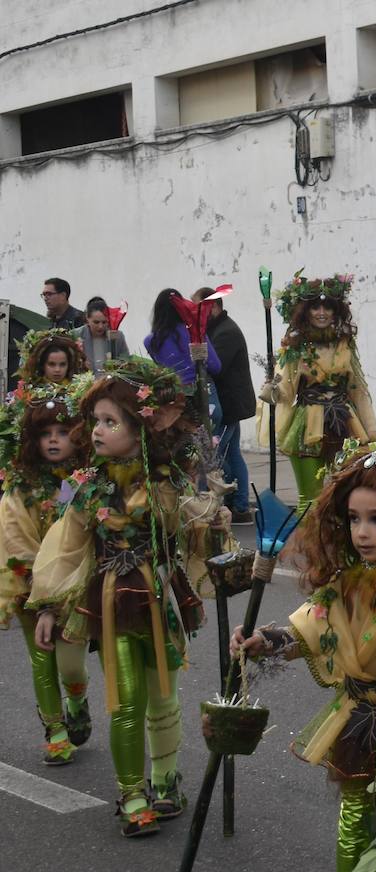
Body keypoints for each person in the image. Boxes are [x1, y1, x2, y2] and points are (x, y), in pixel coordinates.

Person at [231, 440, 376, 871]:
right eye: (355, 519)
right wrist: (267, 641)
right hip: (360, 716)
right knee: (354, 817)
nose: (362, 532)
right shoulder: (350, 577)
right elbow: (313, 627)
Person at [28, 358, 229, 836]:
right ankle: (132, 793)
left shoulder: (167, 484)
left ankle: (165, 781)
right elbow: (66, 550)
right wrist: (50, 609)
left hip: (160, 599)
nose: (97, 430)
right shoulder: (87, 489)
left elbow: (194, 535)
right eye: (95, 421)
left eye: (109, 421)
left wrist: (214, 519)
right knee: (125, 699)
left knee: (164, 695)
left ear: (140, 430)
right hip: (113, 603)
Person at [0, 377, 93, 766]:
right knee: (41, 658)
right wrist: (40, 583)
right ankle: (55, 731)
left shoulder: (86, 483)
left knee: (70, 660)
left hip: (72, 584)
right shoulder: (19, 487)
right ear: (32, 440)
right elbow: (14, 536)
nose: (54, 440)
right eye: (45, 434)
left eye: (62, 432)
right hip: (28, 582)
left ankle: (76, 698)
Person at [259, 274, 376, 510]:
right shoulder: (295, 347)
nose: (322, 312)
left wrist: (371, 430)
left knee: (346, 495)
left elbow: (357, 389)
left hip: (345, 423)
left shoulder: (345, 344)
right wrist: (272, 386)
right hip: (306, 427)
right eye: (315, 307)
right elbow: (285, 391)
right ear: (306, 311)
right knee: (310, 500)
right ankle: (308, 545)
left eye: (327, 307)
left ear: (337, 311)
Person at [193, 287, 256, 523]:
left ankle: (236, 503)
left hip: (229, 405)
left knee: (219, 455)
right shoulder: (216, 329)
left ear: (214, 307)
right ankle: (238, 504)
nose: (195, 313)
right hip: (229, 404)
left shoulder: (225, 332)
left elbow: (213, 366)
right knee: (231, 453)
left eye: (199, 308)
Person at [145, 288, 223, 431]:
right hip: (205, 400)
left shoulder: (151, 341)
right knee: (213, 450)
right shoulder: (195, 333)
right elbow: (215, 366)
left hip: (173, 407)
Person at [17, 328, 89, 386]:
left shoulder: (78, 392)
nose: (57, 370)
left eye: (62, 364)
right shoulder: (28, 392)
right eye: (51, 364)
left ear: (69, 365)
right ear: (42, 365)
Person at [79, 297, 131, 374]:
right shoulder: (77, 335)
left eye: (104, 322)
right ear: (87, 319)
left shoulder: (117, 336)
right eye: (96, 322)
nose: (100, 326)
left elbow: (126, 361)